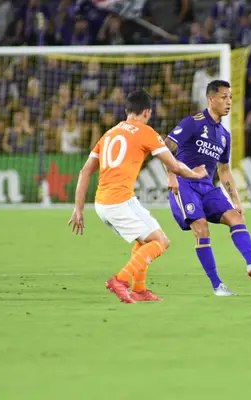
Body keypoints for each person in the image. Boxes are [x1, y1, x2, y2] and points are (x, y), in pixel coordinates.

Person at [68, 89, 208, 304]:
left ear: (127, 111)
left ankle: (139, 290)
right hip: (119, 202)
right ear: (146, 112)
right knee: (161, 242)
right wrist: (196, 174)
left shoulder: (109, 134)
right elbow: (174, 165)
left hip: (103, 203)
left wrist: (78, 209)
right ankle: (120, 280)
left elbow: (85, 171)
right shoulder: (146, 132)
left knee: (146, 239)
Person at [164, 80, 251, 296]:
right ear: (211, 99)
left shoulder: (224, 136)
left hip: (207, 187)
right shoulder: (193, 122)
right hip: (185, 185)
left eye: (231, 97)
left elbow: (224, 171)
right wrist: (171, 175)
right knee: (201, 228)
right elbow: (165, 147)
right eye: (224, 97)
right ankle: (218, 285)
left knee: (236, 218)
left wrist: (236, 201)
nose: (229, 102)